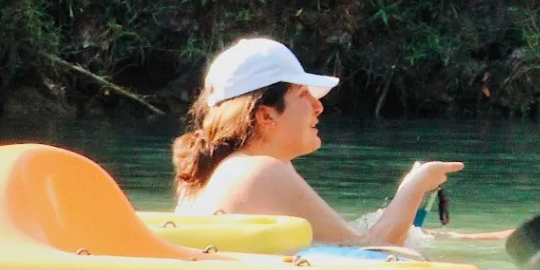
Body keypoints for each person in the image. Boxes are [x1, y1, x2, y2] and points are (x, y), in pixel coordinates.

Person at [173, 37, 462, 247]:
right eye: (303, 95)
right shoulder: (264, 171)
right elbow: (372, 251)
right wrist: (415, 187)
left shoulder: (210, 174)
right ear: (265, 115)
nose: (318, 106)